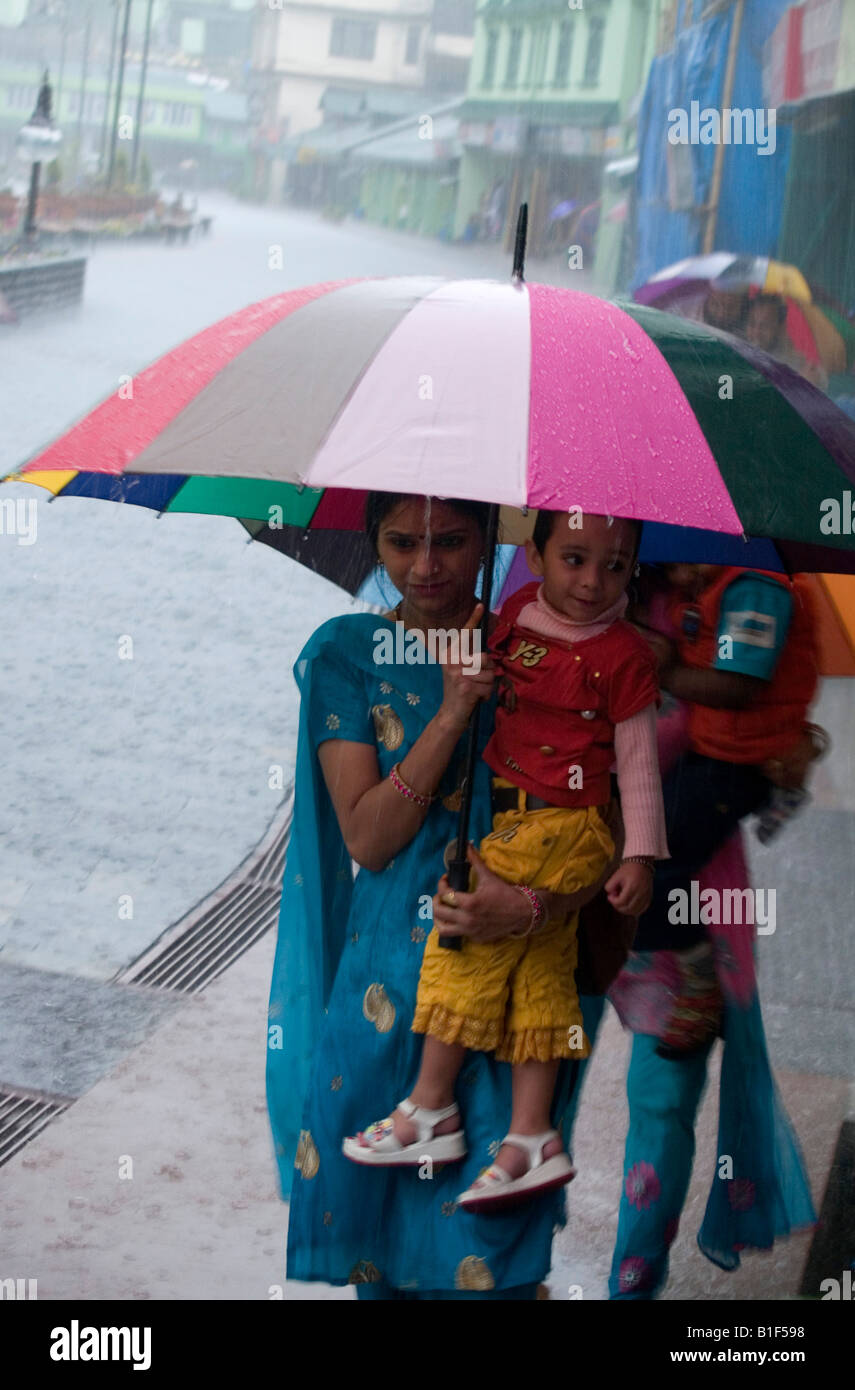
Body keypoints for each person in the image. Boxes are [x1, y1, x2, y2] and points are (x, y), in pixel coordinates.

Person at [267, 493, 619, 1299]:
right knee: (381, 1261)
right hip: (384, 992)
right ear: (373, 542)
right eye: (401, 542)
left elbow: (601, 843)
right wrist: (454, 710)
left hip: (511, 1000)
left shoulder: (548, 657)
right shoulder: (348, 654)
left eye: (452, 542)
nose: (425, 566)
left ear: (492, 539)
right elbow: (368, 838)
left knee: (488, 1256)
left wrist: (528, 908)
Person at [343, 511, 668, 1211]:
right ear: (534, 554)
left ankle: (431, 1108)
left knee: (462, 948)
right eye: (573, 559)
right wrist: (466, 687)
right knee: (538, 981)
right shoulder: (513, 615)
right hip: (528, 817)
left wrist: (639, 855)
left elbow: (638, 768)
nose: (591, 581)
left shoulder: (623, 657)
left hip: (557, 825)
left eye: (614, 566)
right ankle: (531, 1139)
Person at [566, 564, 819, 1298]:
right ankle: (513, 1264)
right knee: (536, 1089)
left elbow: (761, 731)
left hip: (687, 900)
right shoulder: (556, 613)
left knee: (663, 1106)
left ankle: (632, 1286)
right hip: (566, 891)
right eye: (573, 554)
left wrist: (791, 756)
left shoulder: (690, 607)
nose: (590, 568)